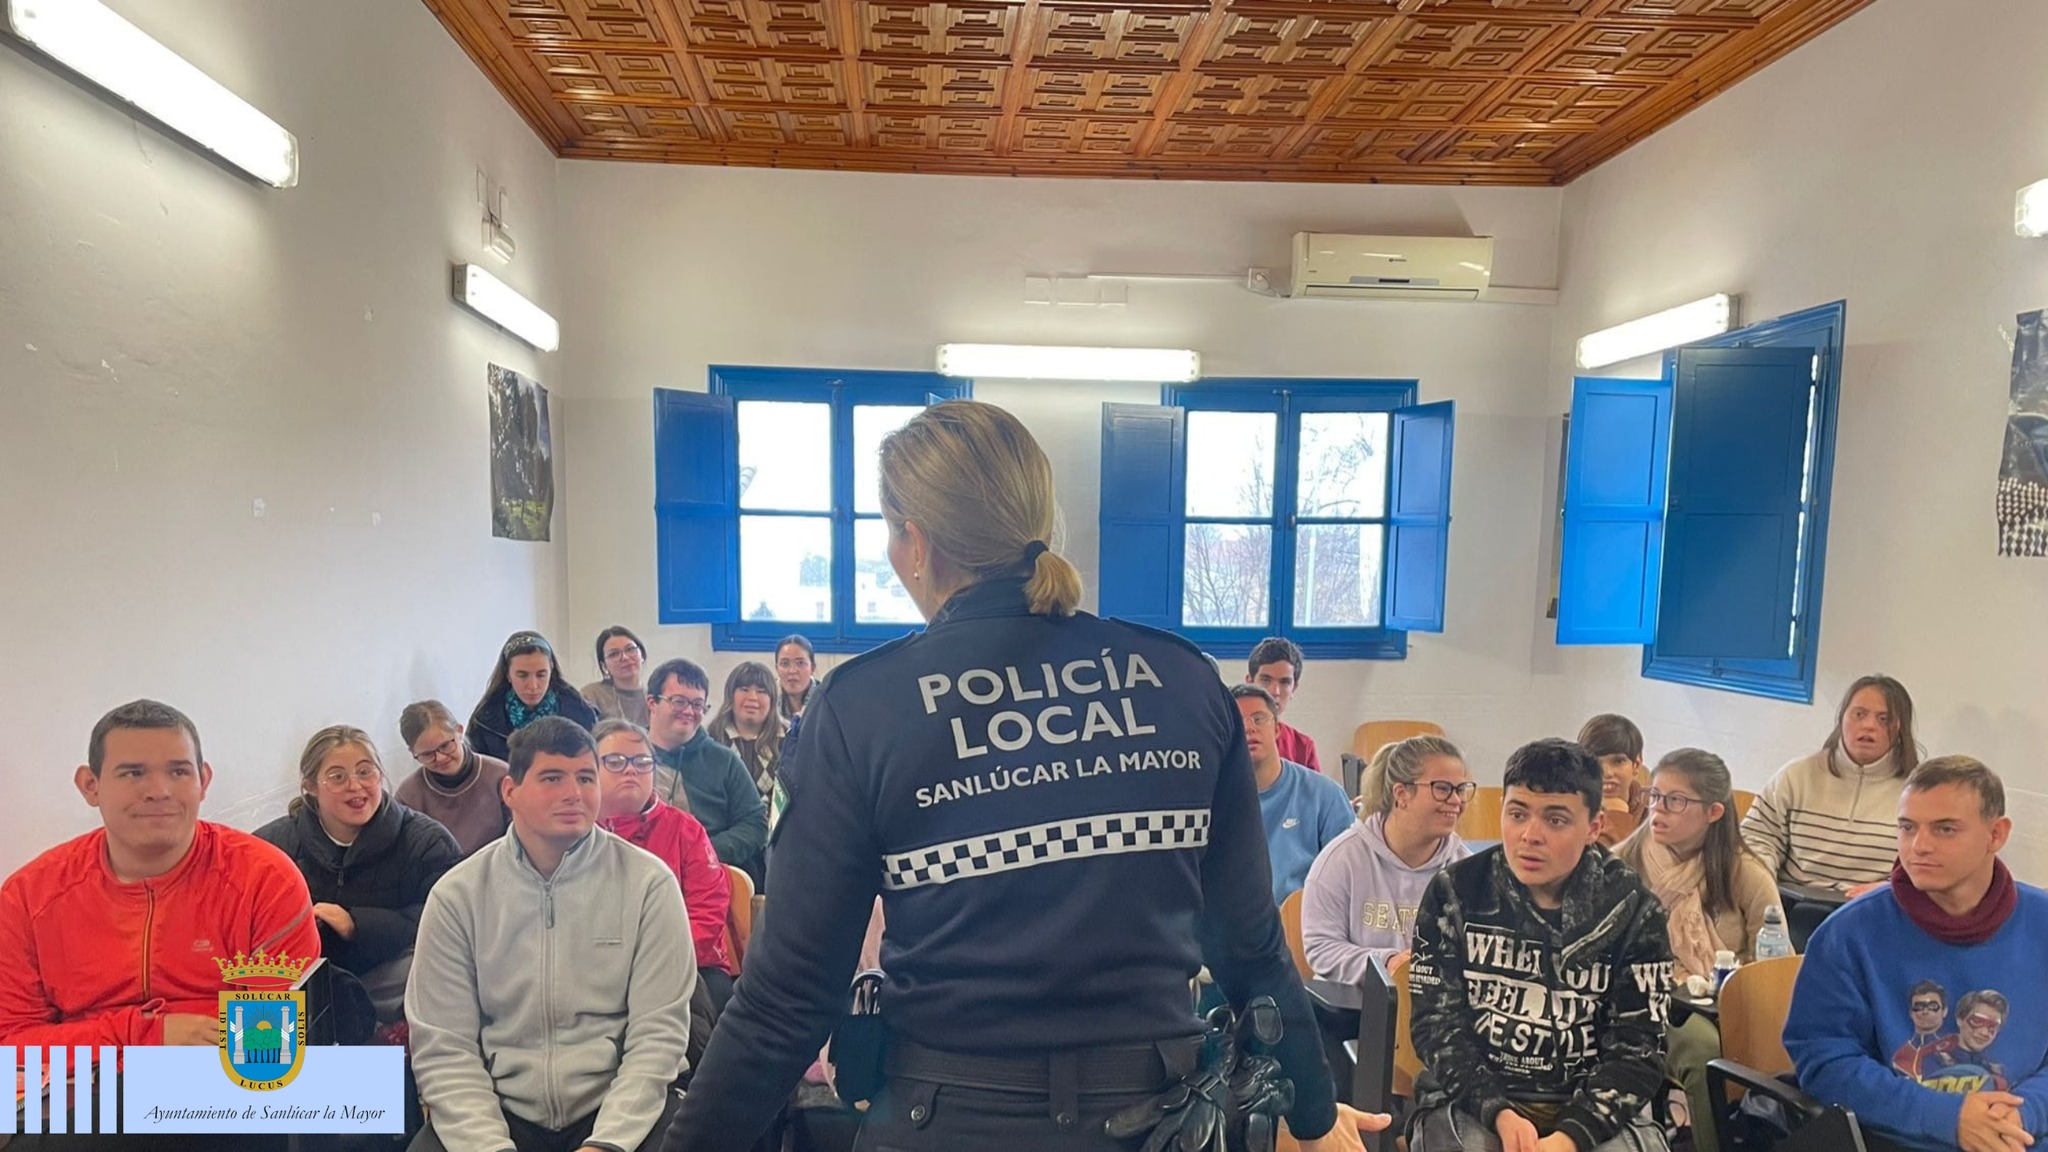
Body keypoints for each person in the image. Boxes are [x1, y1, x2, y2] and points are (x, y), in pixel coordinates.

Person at [662, 400, 1386, 1151]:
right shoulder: (1183, 679)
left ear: (916, 540)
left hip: (946, 1123)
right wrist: (1314, 1113)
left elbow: (787, 1001)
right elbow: (1248, 945)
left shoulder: (862, 706)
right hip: (1155, 1121)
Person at [406, 716, 694, 1152]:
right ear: (510, 791)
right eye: (552, 777)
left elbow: (658, 1037)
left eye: (586, 778)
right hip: (500, 1110)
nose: (573, 793)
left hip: (617, 1107)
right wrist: (489, 1146)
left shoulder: (648, 884)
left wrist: (607, 1144)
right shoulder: (457, 895)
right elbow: (445, 1047)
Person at [0, 700, 321, 1051]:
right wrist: (145, 1034)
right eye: (133, 773)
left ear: (203, 781)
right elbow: (11, 1041)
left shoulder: (266, 881)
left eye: (178, 772)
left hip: (219, 1078)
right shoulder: (28, 898)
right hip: (82, 1081)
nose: (159, 791)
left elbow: (272, 1044)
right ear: (90, 785)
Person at [1407, 738, 1674, 1152]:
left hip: (1593, 1105)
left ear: (1594, 827)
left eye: (1556, 820)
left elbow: (1639, 1048)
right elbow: (1436, 1027)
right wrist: (1498, 1111)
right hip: (1476, 1100)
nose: (1530, 836)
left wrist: (1572, 1136)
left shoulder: (1634, 909)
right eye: (1517, 814)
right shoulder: (1454, 893)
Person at [1785, 756, 2048, 1152]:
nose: (1919, 846)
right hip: (1897, 1137)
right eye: (1907, 827)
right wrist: (1946, 1117)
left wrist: (2021, 1115)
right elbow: (1824, 1062)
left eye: (1945, 829)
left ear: (1996, 834)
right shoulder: (1848, 933)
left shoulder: (2041, 922)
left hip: (2021, 1135)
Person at [1614, 748, 1778, 1152]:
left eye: (1676, 800)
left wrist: (1721, 985)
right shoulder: (1622, 863)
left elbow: (1773, 965)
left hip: (1729, 1003)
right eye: (1655, 796)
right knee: (1704, 1049)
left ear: (1714, 812)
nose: (1659, 809)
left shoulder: (1745, 873)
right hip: (1641, 1004)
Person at [254, 725, 460, 1026]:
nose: (356, 786)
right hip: (305, 985)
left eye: (365, 772)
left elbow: (451, 923)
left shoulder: (427, 841)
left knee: (431, 967)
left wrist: (356, 924)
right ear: (310, 786)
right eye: (337, 777)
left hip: (387, 982)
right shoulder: (270, 847)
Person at [1743, 675, 1919, 943]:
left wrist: (1895, 889)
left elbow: (1935, 864)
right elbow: (1757, 838)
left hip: (1876, 913)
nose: (1869, 725)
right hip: (1794, 906)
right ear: (1841, 719)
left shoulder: (1920, 791)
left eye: (1884, 719)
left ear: (1900, 729)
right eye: (1859, 714)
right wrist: (1763, 884)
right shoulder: (1797, 775)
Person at [592, 718, 738, 1012]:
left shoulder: (686, 829)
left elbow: (707, 913)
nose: (631, 770)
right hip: (598, 969)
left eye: (642, 762)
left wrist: (654, 964)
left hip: (689, 963)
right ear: (590, 769)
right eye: (616, 762)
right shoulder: (575, 833)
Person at [1301, 735, 1472, 983]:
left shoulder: (1467, 870)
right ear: (1401, 794)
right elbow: (1322, 948)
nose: (1456, 800)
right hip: (1354, 1004)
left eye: (1461, 789)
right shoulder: (1341, 860)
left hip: (1436, 1004)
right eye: (1443, 789)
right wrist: (1387, 963)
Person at [1234, 682, 1361, 905]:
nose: (1249, 728)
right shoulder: (1212, 799)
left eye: (1259, 719)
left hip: (1304, 919)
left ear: (1277, 729)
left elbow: (1352, 877)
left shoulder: (1325, 796)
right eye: (1237, 721)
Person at [644, 656, 767, 886]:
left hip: (708, 880)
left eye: (697, 704)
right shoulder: (628, 759)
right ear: (652, 702)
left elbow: (755, 823)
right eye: (679, 701)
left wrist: (704, 852)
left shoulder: (724, 760)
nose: (689, 711)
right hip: (641, 876)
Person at [396, 699, 512, 858]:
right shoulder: (409, 796)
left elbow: (522, 837)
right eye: (427, 754)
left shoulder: (500, 775)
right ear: (412, 752)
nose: (440, 758)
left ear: (459, 731)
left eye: (445, 746)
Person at [467, 630, 600, 761]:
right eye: (522, 675)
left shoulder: (583, 714)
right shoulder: (484, 722)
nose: (533, 686)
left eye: (541, 675)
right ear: (508, 674)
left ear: (551, 671)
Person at [706, 660, 788, 820]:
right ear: (730, 695)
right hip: (727, 829)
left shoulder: (790, 740)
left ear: (772, 699)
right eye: (744, 689)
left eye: (761, 691)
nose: (752, 698)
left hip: (778, 830)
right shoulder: (712, 739)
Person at [1247, 636, 1320, 772]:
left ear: (1294, 688)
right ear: (1250, 682)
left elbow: (1314, 786)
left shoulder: (1303, 747)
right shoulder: (1229, 740)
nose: (1275, 691)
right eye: (1266, 680)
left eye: (1285, 682)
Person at [1578, 714, 1648, 848]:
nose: (1607, 773)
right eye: (1595, 762)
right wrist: (1616, 813)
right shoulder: (1571, 805)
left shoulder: (1653, 808)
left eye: (1618, 761)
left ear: (1636, 764)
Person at [582, 625, 651, 727]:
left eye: (630, 649)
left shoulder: (655, 696)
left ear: (642, 655)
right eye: (614, 654)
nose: (625, 657)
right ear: (604, 666)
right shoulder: (591, 694)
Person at [775, 634, 820, 721]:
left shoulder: (825, 701)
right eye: (785, 663)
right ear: (777, 668)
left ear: (812, 668)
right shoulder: (768, 699)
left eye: (800, 663)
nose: (792, 671)